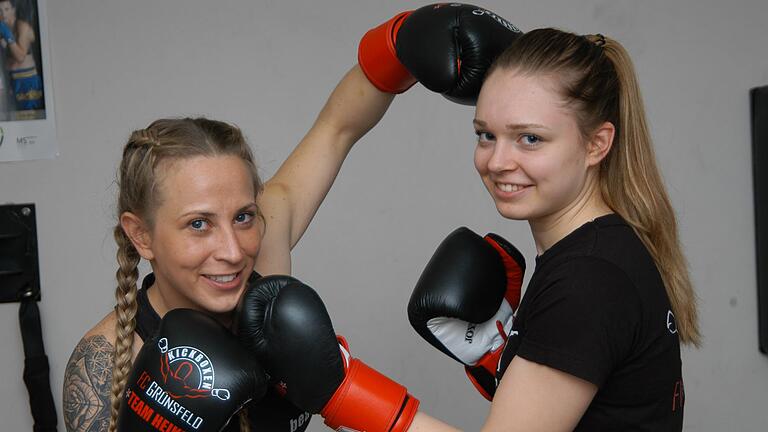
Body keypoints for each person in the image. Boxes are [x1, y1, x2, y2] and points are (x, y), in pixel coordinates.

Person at [235, 10, 701, 432]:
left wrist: (343, 391)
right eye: (486, 134)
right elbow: (329, 138)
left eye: (530, 139)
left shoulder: (587, 282)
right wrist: (504, 361)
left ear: (598, 144)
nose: (498, 161)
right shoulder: (603, 250)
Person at [61, 62, 395, 431]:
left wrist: (395, 52)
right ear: (140, 235)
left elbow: (337, 128)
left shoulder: (265, 258)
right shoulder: (107, 363)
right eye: (198, 224)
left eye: (243, 217)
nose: (234, 252)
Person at [0, 0, 43, 112]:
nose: (3, 14)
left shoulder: (22, 26)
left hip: (27, 82)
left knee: (30, 120)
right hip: (11, 82)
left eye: (6, 9)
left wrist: (8, 36)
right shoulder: (2, 28)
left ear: (13, 10)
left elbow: (20, 57)